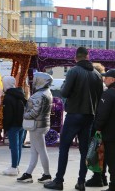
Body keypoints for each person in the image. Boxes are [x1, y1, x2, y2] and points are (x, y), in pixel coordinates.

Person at [44, 47, 103, 191]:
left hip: (74, 114)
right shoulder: (97, 74)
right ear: (88, 57)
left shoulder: (74, 71)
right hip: (90, 116)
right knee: (84, 150)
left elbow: (64, 91)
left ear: (76, 58)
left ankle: (59, 181)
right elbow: (100, 96)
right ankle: (81, 182)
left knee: (64, 148)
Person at [17, 72, 53, 183]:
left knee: (40, 150)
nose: (34, 81)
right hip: (41, 124)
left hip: (37, 125)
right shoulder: (47, 92)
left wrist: (24, 115)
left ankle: (47, 175)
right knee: (35, 150)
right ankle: (28, 173)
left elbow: (34, 112)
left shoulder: (39, 95)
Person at [86, 62, 108, 187]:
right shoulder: (105, 88)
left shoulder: (100, 88)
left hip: (98, 123)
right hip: (104, 124)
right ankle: (102, 176)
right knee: (102, 151)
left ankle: (97, 176)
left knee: (96, 150)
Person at [95, 69, 115, 191]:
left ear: (113, 80)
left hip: (110, 134)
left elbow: (102, 114)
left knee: (112, 161)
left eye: (106, 77)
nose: (104, 79)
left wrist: (97, 128)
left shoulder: (108, 94)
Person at [2, 75, 26, 176]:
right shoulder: (20, 94)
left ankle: (13, 167)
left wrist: (6, 126)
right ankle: (16, 166)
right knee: (19, 146)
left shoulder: (8, 97)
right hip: (22, 124)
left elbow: (8, 114)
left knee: (14, 146)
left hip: (13, 124)